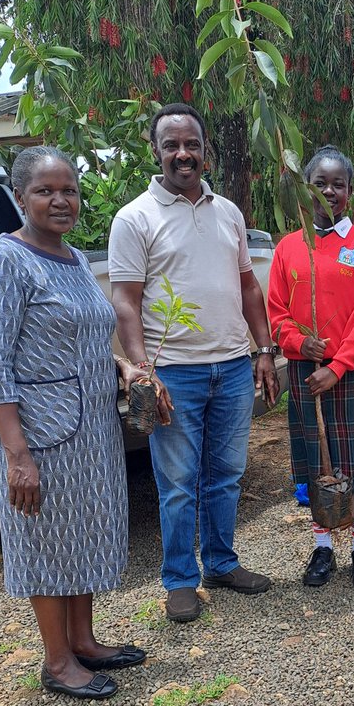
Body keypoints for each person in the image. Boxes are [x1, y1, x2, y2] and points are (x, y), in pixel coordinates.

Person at [0, 147, 166, 700]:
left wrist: (123, 366)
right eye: (45, 191)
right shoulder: (3, 262)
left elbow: (84, 338)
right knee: (45, 540)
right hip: (41, 436)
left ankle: (84, 640)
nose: (61, 201)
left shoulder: (75, 259)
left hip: (93, 431)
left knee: (84, 533)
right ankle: (56, 661)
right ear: (20, 196)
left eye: (69, 190)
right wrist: (18, 454)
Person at [110, 104, 279, 623]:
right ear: (156, 151)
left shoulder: (228, 212)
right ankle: (180, 580)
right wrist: (143, 371)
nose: (183, 154)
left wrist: (264, 350)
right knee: (179, 481)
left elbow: (249, 285)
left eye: (192, 145)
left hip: (230, 367)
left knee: (225, 475)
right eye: (171, 145)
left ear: (206, 151)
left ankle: (223, 564)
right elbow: (124, 302)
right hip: (174, 373)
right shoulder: (135, 217)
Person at [267, 145, 354, 589]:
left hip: (350, 371)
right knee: (317, 463)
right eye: (319, 183)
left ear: (350, 192)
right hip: (305, 371)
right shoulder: (287, 248)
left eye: (338, 184)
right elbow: (276, 313)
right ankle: (323, 548)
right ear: (304, 189)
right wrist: (301, 342)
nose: (329, 191)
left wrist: (337, 366)